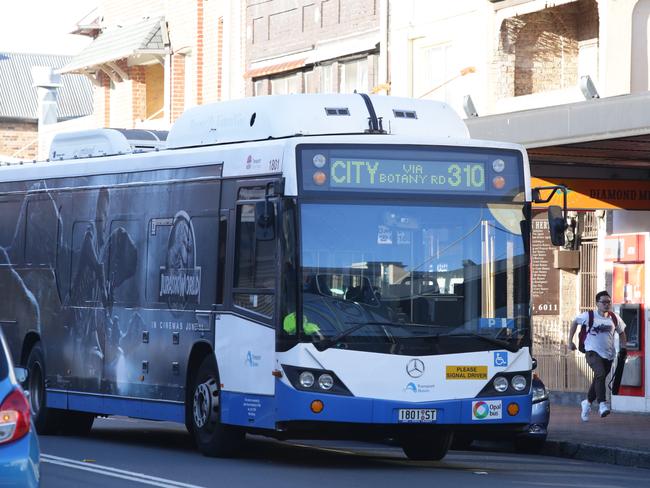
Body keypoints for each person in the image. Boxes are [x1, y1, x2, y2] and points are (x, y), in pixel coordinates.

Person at [568, 291, 627, 421]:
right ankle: (602, 404)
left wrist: (624, 346)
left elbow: (622, 332)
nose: (606, 305)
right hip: (592, 352)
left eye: (608, 302)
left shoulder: (614, 317)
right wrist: (569, 341)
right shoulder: (588, 316)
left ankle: (587, 402)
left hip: (608, 355)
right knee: (600, 374)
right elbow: (574, 323)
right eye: (603, 302)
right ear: (597, 303)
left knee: (598, 380)